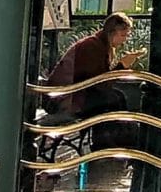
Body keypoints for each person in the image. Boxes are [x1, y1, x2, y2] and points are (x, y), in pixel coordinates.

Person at [42, 13, 134, 150]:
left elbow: (98, 81)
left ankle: (116, 142)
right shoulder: (92, 47)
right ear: (112, 33)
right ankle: (108, 144)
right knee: (112, 99)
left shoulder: (98, 45)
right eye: (123, 35)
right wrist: (121, 67)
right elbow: (99, 83)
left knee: (116, 97)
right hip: (64, 100)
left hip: (73, 95)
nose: (124, 40)